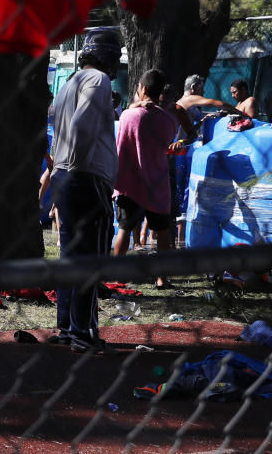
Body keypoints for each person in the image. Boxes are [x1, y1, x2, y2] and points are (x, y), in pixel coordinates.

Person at [49, 27, 121, 355]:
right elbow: (81, 125)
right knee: (92, 256)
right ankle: (83, 331)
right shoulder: (99, 80)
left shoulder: (69, 82)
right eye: (115, 54)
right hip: (86, 177)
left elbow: (57, 119)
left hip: (64, 175)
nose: (117, 61)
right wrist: (79, 164)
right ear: (104, 54)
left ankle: (67, 327)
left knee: (70, 255)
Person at [111, 70, 180, 289]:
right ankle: (162, 278)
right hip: (157, 182)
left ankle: (118, 276)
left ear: (144, 89)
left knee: (123, 229)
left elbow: (121, 143)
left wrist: (133, 108)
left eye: (139, 87)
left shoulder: (128, 116)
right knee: (162, 233)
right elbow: (169, 140)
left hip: (129, 182)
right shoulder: (169, 119)